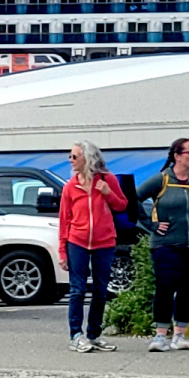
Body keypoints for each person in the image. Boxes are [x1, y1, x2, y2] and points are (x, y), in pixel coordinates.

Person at [138, 137, 189, 352]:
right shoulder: (162, 180)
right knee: (165, 286)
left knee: (188, 287)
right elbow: (134, 199)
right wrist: (151, 225)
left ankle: (179, 334)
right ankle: (160, 335)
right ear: (177, 156)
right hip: (166, 243)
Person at [57, 141, 128, 353]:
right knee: (77, 290)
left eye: (74, 156)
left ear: (87, 158)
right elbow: (64, 220)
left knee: (100, 290)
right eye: (70, 156)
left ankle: (94, 334)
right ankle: (76, 335)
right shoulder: (70, 187)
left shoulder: (107, 179)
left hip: (104, 241)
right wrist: (62, 251)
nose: (70, 160)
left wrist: (107, 192)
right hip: (77, 241)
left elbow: (122, 205)